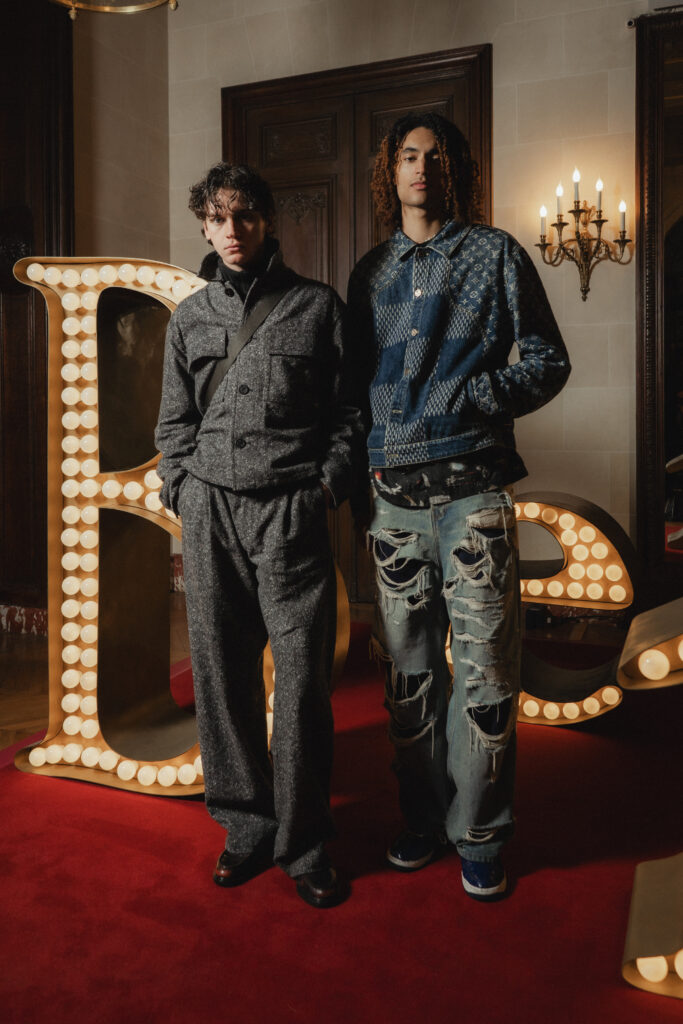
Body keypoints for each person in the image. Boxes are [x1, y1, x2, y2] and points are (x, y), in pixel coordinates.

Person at [347, 112, 570, 900]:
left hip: (472, 494)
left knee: (484, 678)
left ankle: (479, 834)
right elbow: (356, 384)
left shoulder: (495, 253)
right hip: (393, 504)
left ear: (456, 170)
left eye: (436, 157)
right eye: (408, 156)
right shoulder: (370, 270)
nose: (421, 168)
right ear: (390, 170)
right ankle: (421, 818)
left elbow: (547, 359)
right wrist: (367, 461)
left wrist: (475, 396)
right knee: (408, 679)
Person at [155, 162, 362, 908]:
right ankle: (245, 825)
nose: (233, 230)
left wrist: (325, 486)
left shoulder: (316, 306)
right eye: (218, 218)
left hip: (290, 512)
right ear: (204, 227)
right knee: (219, 674)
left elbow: (349, 413)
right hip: (211, 512)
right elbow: (173, 422)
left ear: (267, 219)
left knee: (302, 682)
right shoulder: (189, 318)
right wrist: (182, 486)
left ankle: (303, 842)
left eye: (244, 215)